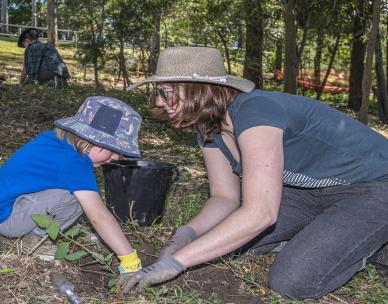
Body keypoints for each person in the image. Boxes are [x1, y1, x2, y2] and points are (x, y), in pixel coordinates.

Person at [119, 46, 388, 299]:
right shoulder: (209, 128)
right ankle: (326, 230)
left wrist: (177, 262)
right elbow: (224, 198)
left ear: (199, 89)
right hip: (309, 192)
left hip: (373, 186)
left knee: (292, 281)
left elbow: (261, 213)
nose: (159, 101)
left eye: (166, 92)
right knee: (220, 243)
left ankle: (375, 246)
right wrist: (186, 234)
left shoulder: (256, 111)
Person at [0, 96, 142, 275]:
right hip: (8, 220)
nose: (115, 157)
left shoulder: (54, 140)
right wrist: (130, 260)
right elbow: (98, 214)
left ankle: (37, 231)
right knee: (77, 197)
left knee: (78, 193)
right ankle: (34, 239)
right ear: (92, 140)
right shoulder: (73, 162)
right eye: (113, 149)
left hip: (10, 206)